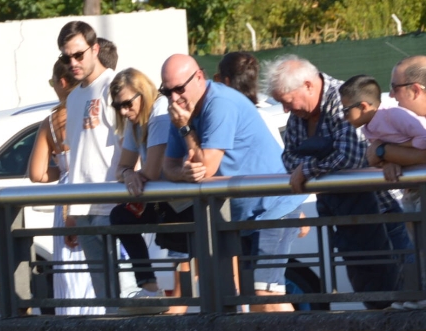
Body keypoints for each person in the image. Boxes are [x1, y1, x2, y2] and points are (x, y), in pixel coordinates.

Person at [158, 53, 296, 310]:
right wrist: (185, 173)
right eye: (166, 92)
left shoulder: (219, 103)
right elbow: (169, 167)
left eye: (179, 89)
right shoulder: (182, 111)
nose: (174, 98)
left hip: (273, 207)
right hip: (241, 215)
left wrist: (187, 130)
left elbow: (206, 169)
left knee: (264, 295)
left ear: (199, 77)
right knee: (249, 297)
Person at [267, 56, 401, 306]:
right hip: (346, 220)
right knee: (374, 300)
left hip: (383, 214)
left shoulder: (344, 98)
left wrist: (307, 167)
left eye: (287, 102)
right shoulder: (300, 112)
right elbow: (287, 158)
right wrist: (316, 164)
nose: (286, 110)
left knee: (400, 296)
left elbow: (349, 155)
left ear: (307, 85)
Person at [58, 21, 121, 312]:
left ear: (95, 49)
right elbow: (77, 157)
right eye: (66, 57)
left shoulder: (116, 85)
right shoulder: (73, 97)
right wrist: (71, 212)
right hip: (84, 208)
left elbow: (130, 145)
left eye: (78, 55)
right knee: (105, 295)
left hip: (114, 204)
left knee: (126, 291)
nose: (73, 62)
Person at [105, 67, 173, 306]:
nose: (124, 111)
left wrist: (133, 174)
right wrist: (129, 173)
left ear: (143, 93)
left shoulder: (160, 110)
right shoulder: (136, 121)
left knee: (189, 263)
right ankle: (150, 289)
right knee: (120, 216)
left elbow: (152, 171)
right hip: (165, 198)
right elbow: (121, 167)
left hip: (184, 199)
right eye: (117, 107)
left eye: (126, 104)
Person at [370, 55, 426, 180]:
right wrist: (389, 161)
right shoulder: (404, 117)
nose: (391, 95)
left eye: (394, 88)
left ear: (415, 90)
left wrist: (382, 151)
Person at [341, 75, 426, 151]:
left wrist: (393, 148)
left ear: (363, 107)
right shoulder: (367, 129)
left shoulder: (395, 115)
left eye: (346, 110)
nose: (343, 117)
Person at [214, 51, 287, 135]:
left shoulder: (225, 124)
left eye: (218, 78)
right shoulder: (265, 118)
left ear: (227, 82)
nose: (216, 85)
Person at [28, 57, 75, 184]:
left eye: (52, 83)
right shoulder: (93, 110)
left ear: (62, 82)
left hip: (68, 194)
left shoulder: (51, 122)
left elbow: (36, 174)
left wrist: (65, 169)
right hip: (101, 190)